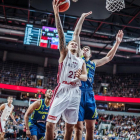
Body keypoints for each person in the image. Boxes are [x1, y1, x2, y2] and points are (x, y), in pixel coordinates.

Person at [73, 12, 124, 140]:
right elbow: (76, 34)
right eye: (83, 48)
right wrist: (82, 17)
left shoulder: (94, 63)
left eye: (87, 49)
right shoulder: (78, 58)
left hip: (89, 95)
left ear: (90, 53)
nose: (85, 49)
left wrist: (117, 43)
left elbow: (108, 57)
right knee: (78, 128)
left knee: (91, 128)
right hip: (77, 93)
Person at [45, 1, 87, 140]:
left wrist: (80, 76)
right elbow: (61, 35)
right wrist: (57, 15)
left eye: (75, 43)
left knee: (70, 127)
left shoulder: (81, 60)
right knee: (50, 124)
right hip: (62, 89)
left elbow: (85, 77)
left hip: (76, 92)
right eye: (71, 43)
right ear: (67, 47)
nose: (74, 43)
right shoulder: (65, 54)